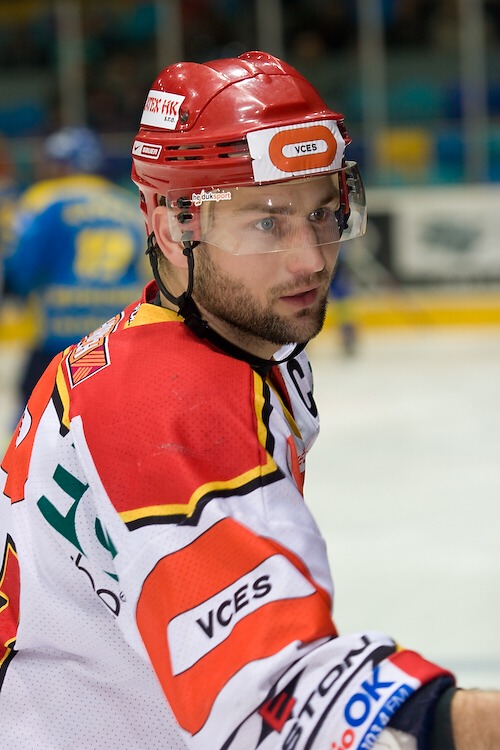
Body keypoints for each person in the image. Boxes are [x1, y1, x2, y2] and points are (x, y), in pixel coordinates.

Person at [0, 51, 498, 750]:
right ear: (172, 227)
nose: (312, 259)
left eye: (322, 214)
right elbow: (276, 712)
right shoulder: (167, 407)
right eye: (267, 223)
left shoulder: (203, 348)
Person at [2, 126, 148, 409]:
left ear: (56, 164)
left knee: (37, 414)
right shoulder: (128, 205)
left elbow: (21, 264)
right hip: (115, 332)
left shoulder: (44, 198)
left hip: (57, 334)